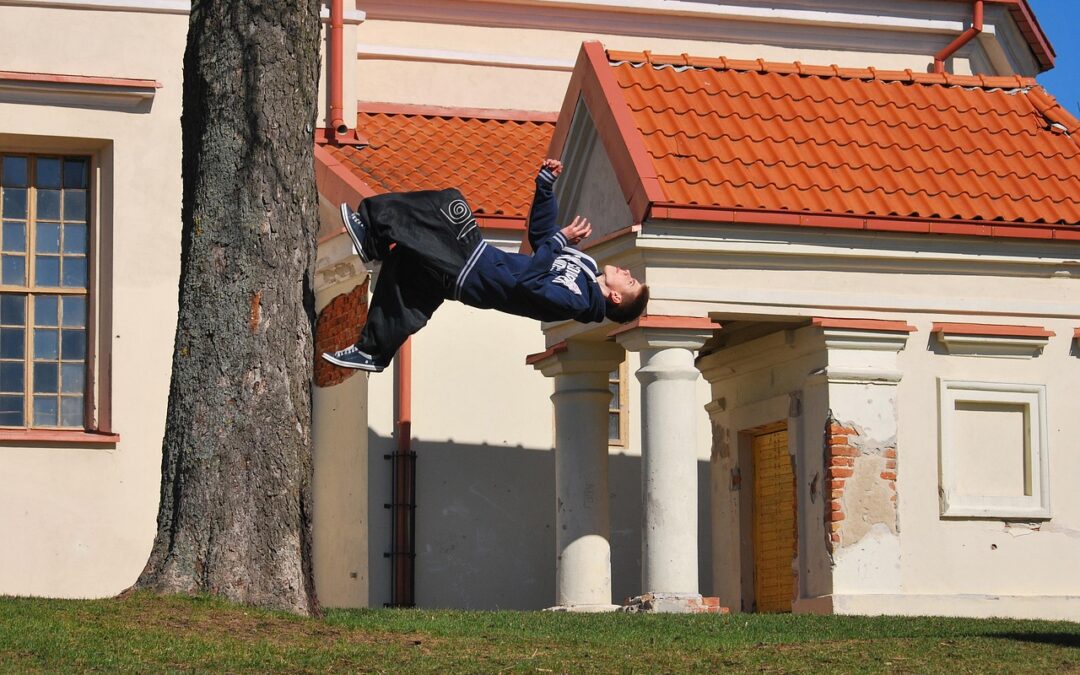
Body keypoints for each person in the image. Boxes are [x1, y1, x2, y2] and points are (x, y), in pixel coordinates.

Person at [322, 159, 649, 372]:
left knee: (451, 205)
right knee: (403, 269)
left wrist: (560, 241)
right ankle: (372, 352)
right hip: (474, 262)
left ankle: (371, 234)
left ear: (615, 298)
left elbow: (530, 281)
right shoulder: (586, 265)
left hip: (473, 272)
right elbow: (540, 236)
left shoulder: (575, 301)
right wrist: (546, 188)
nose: (627, 273)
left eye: (631, 283)